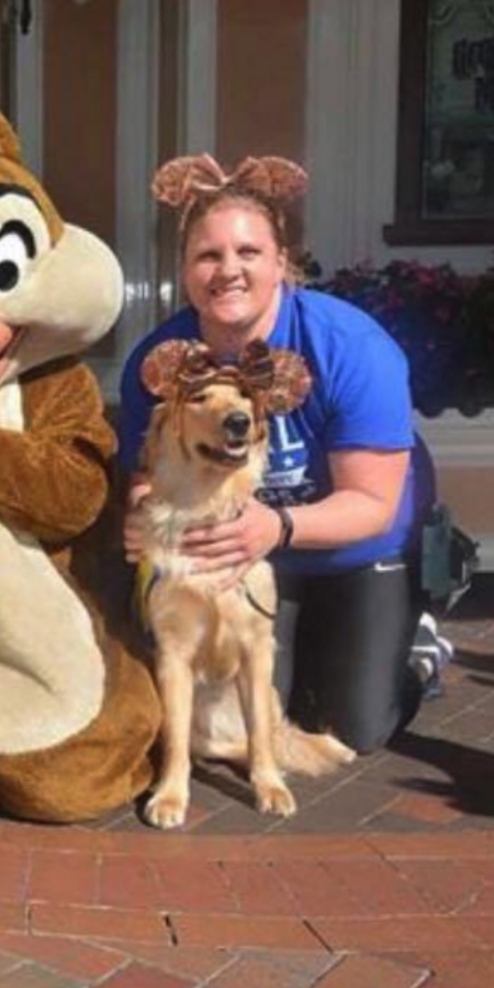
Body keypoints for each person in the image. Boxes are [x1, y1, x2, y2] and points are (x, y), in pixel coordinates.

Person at [118, 154, 436, 754]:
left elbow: (372, 503)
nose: (227, 271)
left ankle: (415, 647)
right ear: (184, 269)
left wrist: (278, 526)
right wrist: (143, 514)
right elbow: (145, 472)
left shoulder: (350, 347)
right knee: (239, 731)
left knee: (355, 729)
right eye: (208, 255)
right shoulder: (159, 361)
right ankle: (313, 651)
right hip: (243, 551)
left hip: (353, 546)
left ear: (282, 263)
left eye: (248, 253)